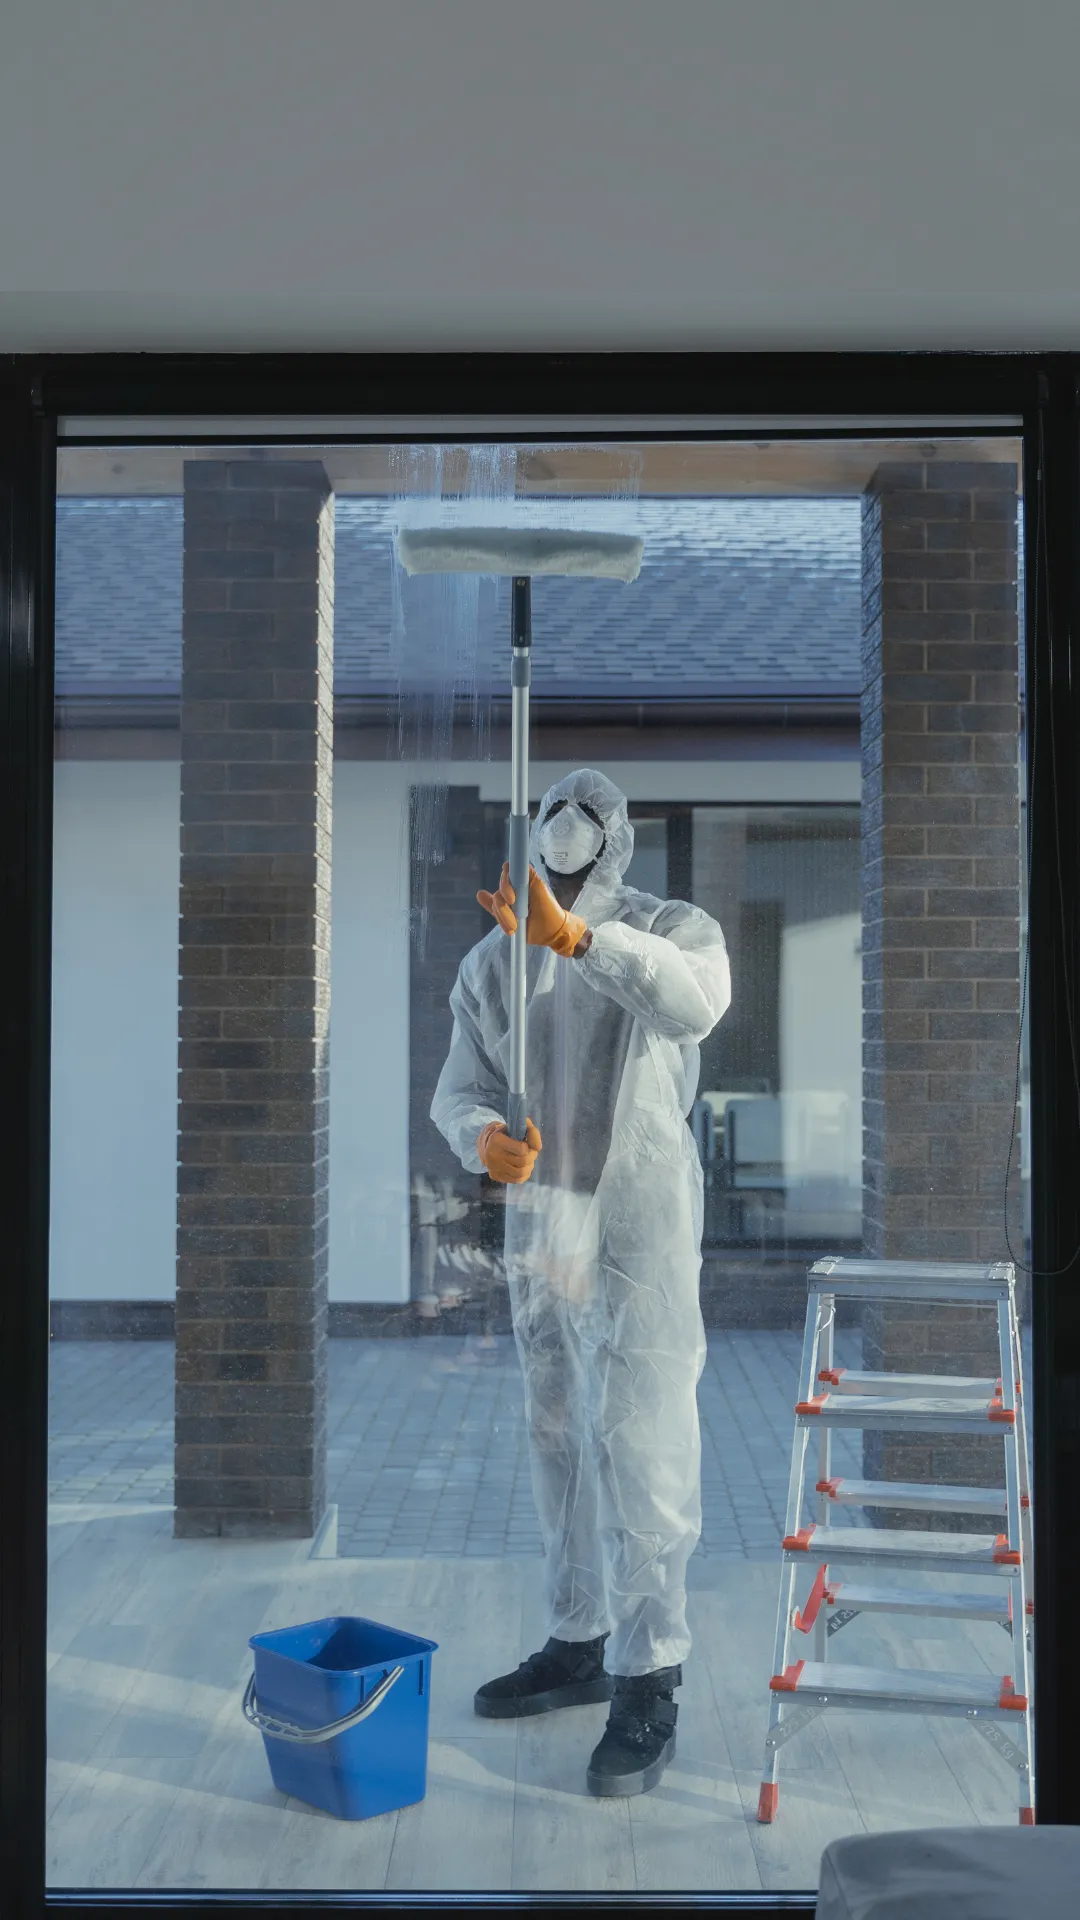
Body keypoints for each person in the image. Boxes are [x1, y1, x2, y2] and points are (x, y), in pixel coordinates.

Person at [431, 769, 731, 1797]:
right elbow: (459, 1087)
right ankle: (578, 1641)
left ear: (618, 839)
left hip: (641, 1216)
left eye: (587, 819)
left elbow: (695, 1005)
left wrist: (581, 941)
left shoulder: (672, 927)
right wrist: (482, 1141)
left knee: (644, 1439)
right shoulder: (491, 957)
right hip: (547, 1220)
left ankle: (650, 1674)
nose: (569, 832)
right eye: (555, 818)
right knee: (558, 1433)